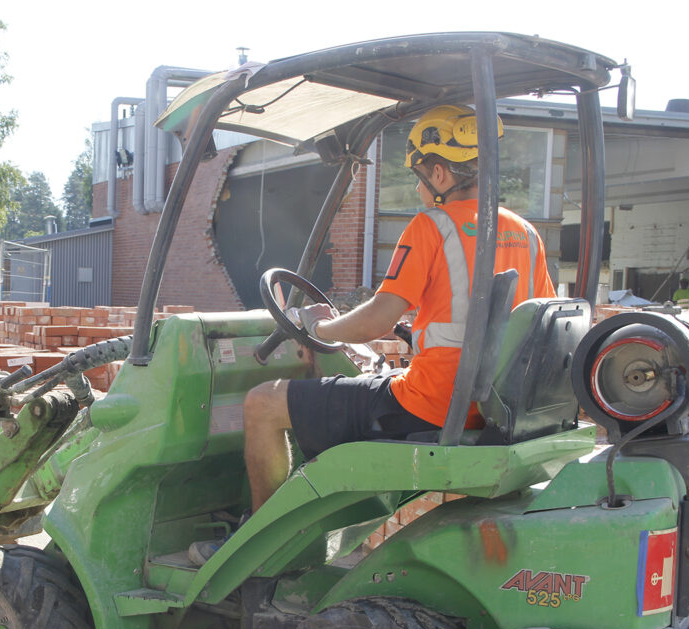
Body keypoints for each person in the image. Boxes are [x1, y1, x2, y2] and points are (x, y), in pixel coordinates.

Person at [190, 105, 557, 566]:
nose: (420, 188)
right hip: (492, 405)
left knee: (263, 403)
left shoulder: (431, 227)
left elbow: (377, 320)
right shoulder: (525, 233)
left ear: (441, 173)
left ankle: (259, 547)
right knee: (335, 395)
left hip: (431, 403)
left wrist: (316, 327)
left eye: (420, 176)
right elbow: (525, 318)